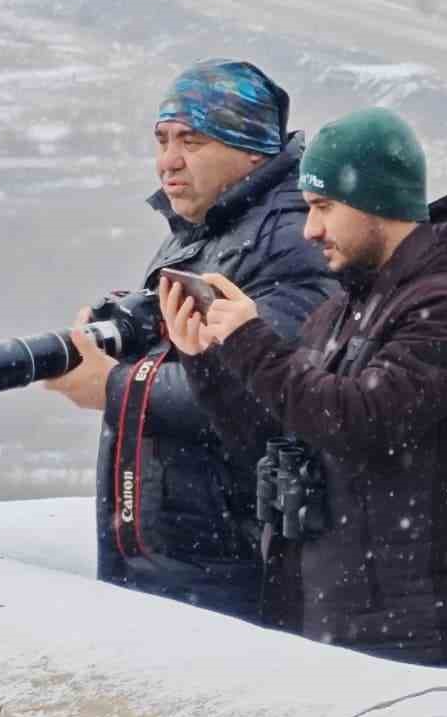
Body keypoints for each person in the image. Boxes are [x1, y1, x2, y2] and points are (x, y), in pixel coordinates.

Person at [162, 105, 447, 673]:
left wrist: (251, 340)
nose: (310, 230)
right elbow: (279, 438)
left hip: (417, 639)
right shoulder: (339, 311)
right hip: (323, 624)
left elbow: (362, 421)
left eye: (324, 207)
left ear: (379, 203)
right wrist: (207, 359)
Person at [45, 59, 335, 620]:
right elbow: (188, 356)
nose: (168, 161)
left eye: (192, 141)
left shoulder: (293, 238)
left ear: (250, 149)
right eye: (162, 139)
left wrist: (112, 387)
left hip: (231, 564)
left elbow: (263, 388)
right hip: (175, 556)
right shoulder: (208, 232)